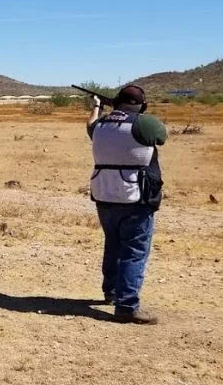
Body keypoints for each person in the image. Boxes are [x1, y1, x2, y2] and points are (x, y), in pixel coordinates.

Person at [86, 85, 167, 325]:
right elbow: (162, 136)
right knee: (134, 250)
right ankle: (127, 305)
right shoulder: (145, 123)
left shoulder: (100, 125)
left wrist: (98, 106)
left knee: (113, 243)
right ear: (142, 105)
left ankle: (111, 292)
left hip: (104, 194)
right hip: (134, 196)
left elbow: (90, 126)